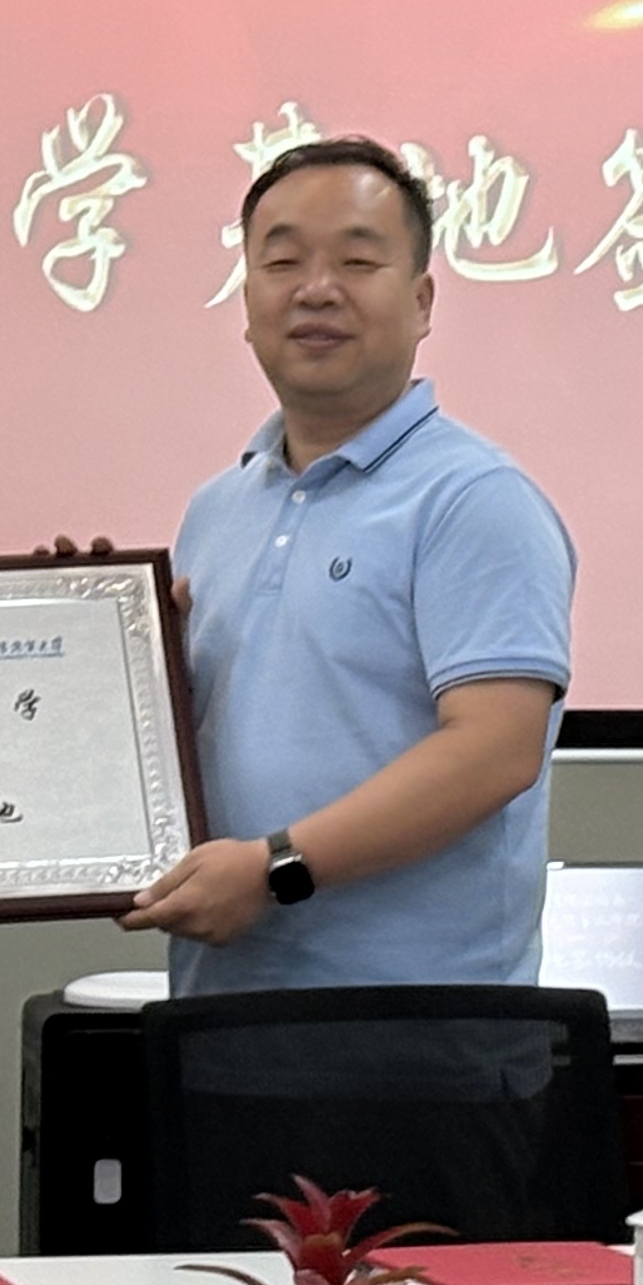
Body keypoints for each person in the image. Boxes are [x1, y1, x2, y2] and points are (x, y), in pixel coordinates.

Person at [117, 134, 574, 992]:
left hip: (419, 1025)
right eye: (282, 262)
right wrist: (98, 658)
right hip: (224, 1005)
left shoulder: (474, 498)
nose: (316, 289)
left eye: (357, 262)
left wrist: (275, 870)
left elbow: (495, 750)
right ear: (247, 299)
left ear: (422, 299)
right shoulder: (218, 510)